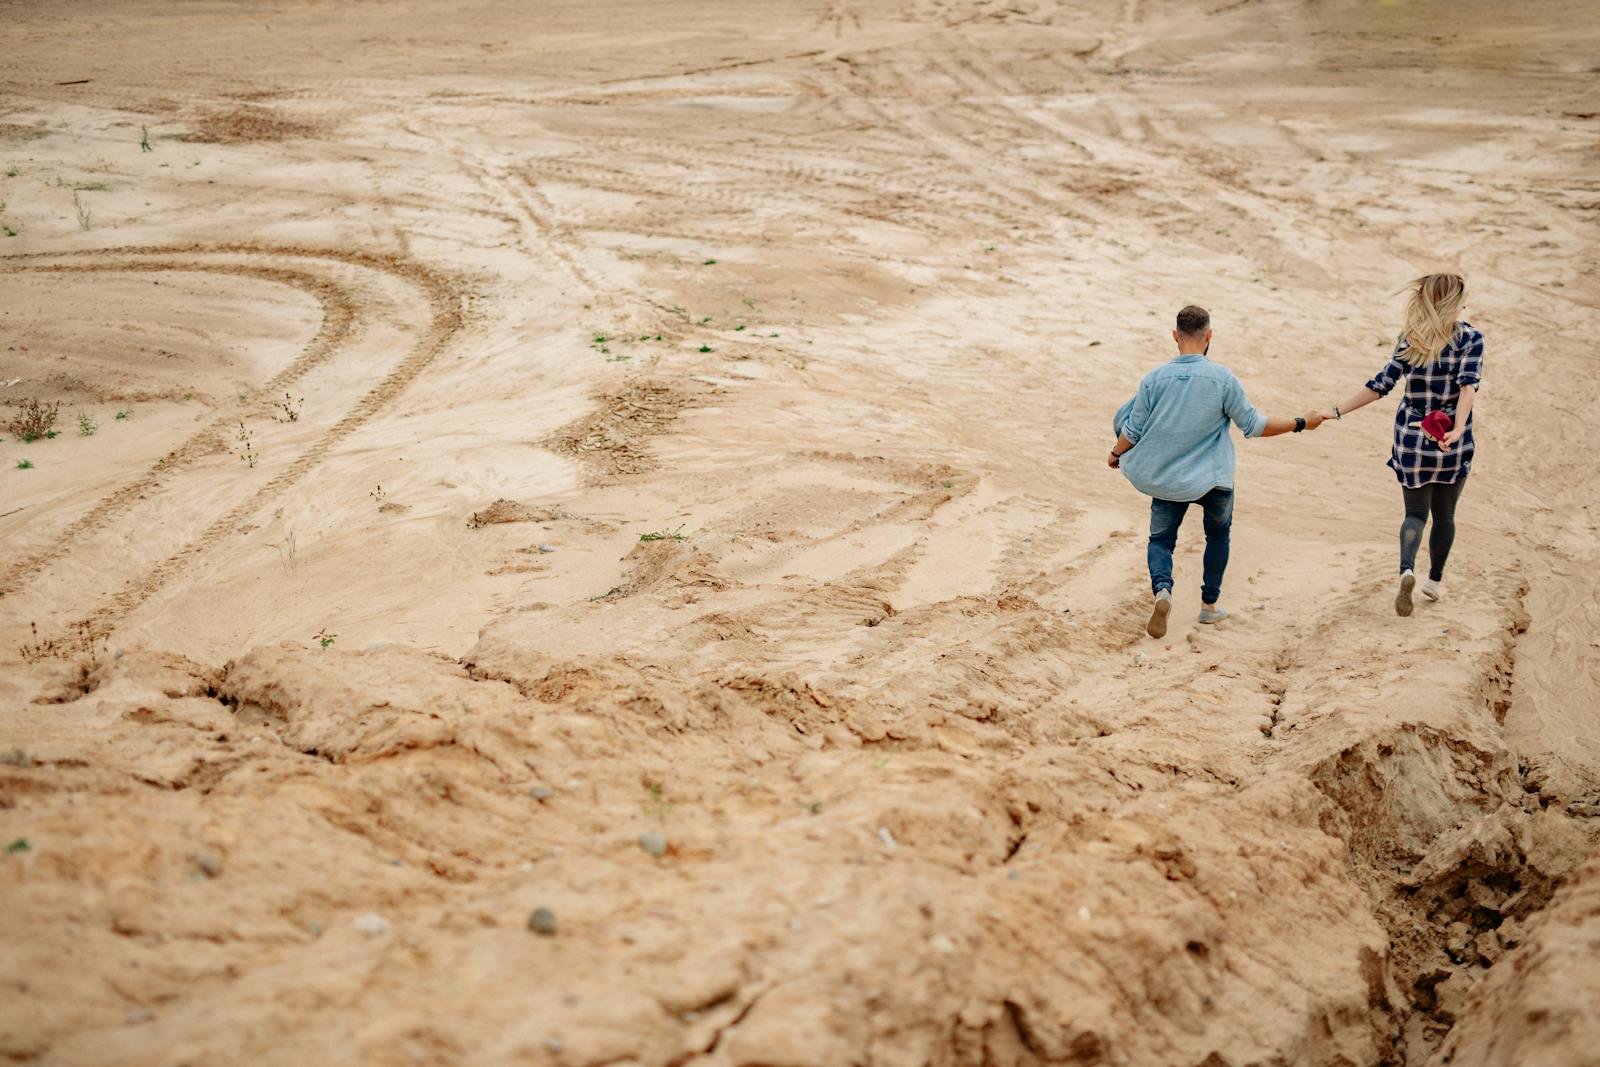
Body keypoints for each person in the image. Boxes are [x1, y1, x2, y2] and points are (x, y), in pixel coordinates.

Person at [1110, 305, 1323, 638]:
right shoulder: (1223, 379)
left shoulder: (1154, 379)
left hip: (1168, 478)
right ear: (1209, 336)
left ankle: (1163, 591)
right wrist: (1300, 423)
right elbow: (1254, 426)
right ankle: (1209, 606)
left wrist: (1115, 454)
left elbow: (1132, 431)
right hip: (1214, 478)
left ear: (1175, 336)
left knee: (1161, 540)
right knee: (1218, 535)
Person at [1320, 273, 1481, 616]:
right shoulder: (1471, 338)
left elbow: (1381, 385)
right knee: (1445, 515)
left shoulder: (1412, 337)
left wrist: (1336, 411)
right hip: (1450, 439)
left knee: (1415, 514)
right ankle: (1434, 581)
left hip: (1412, 437)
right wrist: (1457, 429)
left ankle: (1406, 570)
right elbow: (1468, 387)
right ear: (1456, 301)